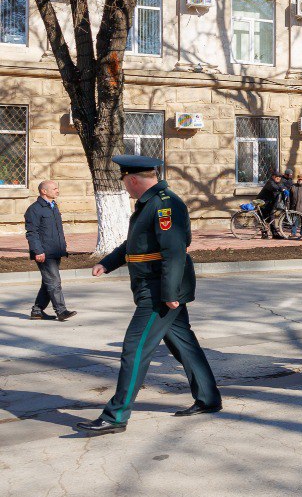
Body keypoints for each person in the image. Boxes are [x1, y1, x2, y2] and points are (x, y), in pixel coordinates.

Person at [77, 156, 221, 435]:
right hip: (155, 286)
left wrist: (169, 293)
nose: (126, 189)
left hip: (159, 291)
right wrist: (107, 263)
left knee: (135, 348)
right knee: (183, 344)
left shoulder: (165, 204)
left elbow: (174, 251)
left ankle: (115, 415)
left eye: (125, 183)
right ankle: (208, 398)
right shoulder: (149, 204)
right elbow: (133, 244)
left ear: (132, 179)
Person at [25, 179, 75, 321]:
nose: (57, 191)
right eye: (54, 189)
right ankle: (61, 311)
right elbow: (31, 233)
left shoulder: (53, 206)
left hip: (55, 251)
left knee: (48, 282)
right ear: (44, 191)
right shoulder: (34, 209)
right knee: (54, 282)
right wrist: (38, 251)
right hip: (44, 253)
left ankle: (37, 311)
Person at [255, 171, 288, 238]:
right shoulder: (270, 182)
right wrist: (283, 190)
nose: (279, 178)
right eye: (277, 177)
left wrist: (285, 190)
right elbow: (274, 187)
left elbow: (282, 186)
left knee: (272, 219)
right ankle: (264, 234)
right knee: (263, 218)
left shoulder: (279, 183)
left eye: (280, 177)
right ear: (273, 177)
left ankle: (275, 234)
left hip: (270, 203)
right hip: (263, 203)